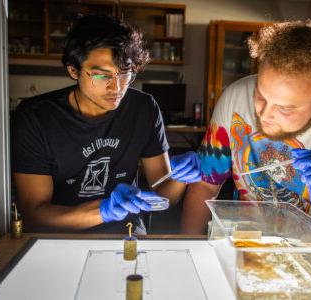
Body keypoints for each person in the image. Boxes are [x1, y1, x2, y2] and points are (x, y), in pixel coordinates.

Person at [181, 17, 311, 269]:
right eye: (261, 95)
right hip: (245, 246)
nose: (265, 114)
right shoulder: (235, 96)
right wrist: (187, 252)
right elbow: (205, 186)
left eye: (285, 108)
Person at [11, 14, 200, 234]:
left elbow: (166, 196)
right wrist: (103, 210)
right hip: (59, 235)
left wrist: (180, 179)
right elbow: (34, 212)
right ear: (74, 70)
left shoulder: (143, 109)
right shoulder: (37, 117)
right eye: (102, 76)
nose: (116, 87)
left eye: (125, 74)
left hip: (126, 231)